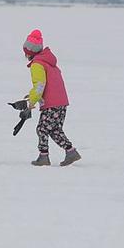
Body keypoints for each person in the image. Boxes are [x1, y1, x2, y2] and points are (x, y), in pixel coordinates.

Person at [21, 29, 82, 166]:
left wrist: (32, 101)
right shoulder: (47, 61)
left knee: (42, 129)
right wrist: (31, 95)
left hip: (51, 104)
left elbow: (40, 85)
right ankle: (71, 152)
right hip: (61, 102)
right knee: (54, 129)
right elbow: (46, 85)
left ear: (29, 52)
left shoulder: (37, 64)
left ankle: (44, 157)